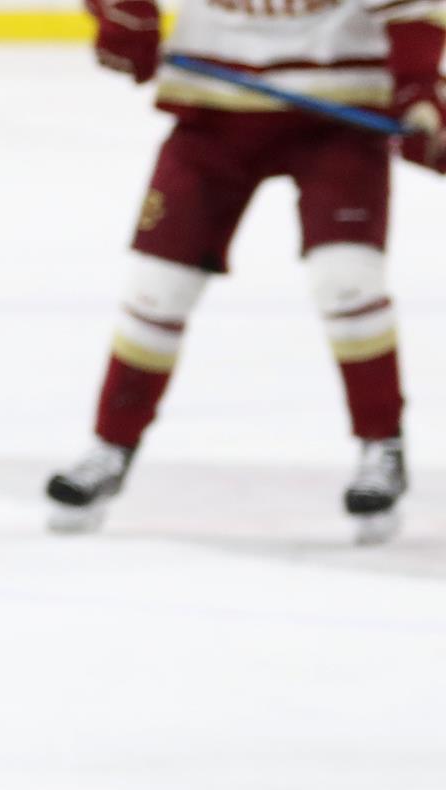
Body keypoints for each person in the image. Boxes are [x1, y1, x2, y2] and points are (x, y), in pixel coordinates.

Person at [47, 0, 446, 541]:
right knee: (157, 289)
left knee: (346, 279)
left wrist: (419, 91)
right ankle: (110, 445)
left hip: (337, 116)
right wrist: (125, 19)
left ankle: (382, 445)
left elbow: (412, 9)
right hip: (212, 115)